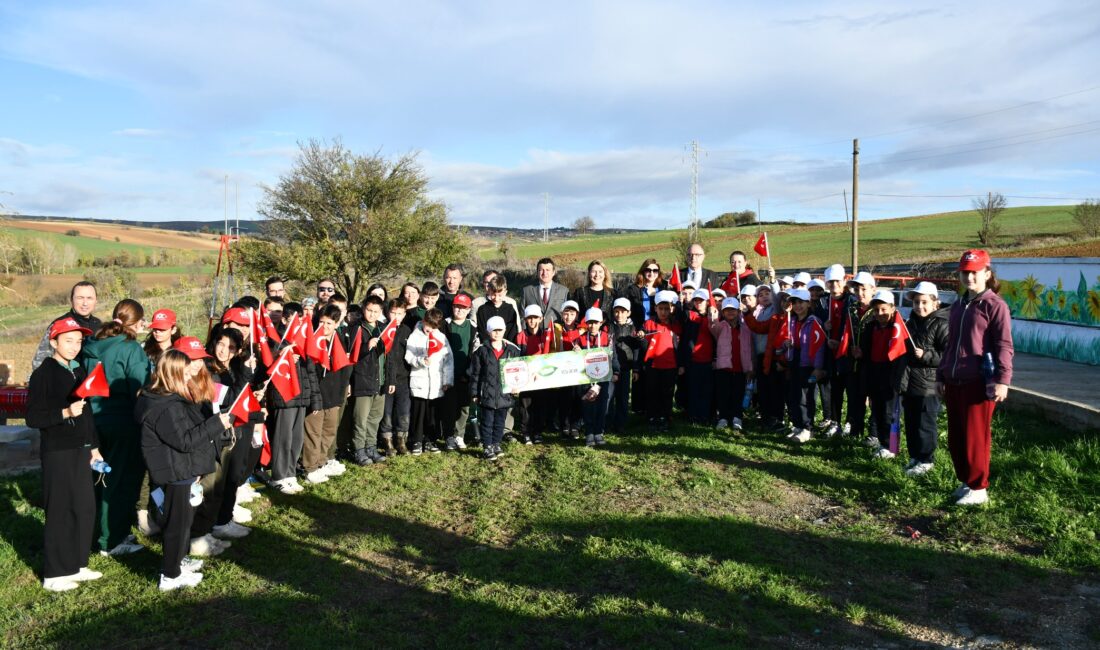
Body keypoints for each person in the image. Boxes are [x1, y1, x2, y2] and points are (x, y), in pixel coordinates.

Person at [135, 348, 233, 591]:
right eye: (186, 371)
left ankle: (177, 560)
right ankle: (170, 575)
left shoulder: (169, 399)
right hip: (176, 472)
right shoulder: (166, 406)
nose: (192, 374)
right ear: (173, 374)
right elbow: (185, 440)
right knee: (177, 524)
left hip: (183, 469)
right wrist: (217, 424)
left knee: (184, 521)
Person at [26, 317, 104, 592]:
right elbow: (33, 418)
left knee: (84, 507)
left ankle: (78, 564)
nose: (74, 346)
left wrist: (94, 448)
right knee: (60, 509)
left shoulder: (79, 370)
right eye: (68, 340)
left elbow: (88, 415)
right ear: (54, 342)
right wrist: (65, 413)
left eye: (79, 341)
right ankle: (55, 573)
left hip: (81, 450)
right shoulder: (43, 374)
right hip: (58, 451)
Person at [937, 249, 1013, 506]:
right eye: (964, 272)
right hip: (953, 379)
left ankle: (979, 487)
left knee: (975, 436)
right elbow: (950, 344)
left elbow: (1004, 345)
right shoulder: (959, 304)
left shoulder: (995, 305)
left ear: (987, 273)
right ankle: (966, 480)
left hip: (979, 380)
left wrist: (1003, 379)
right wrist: (941, 374)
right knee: (956, 435)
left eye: (974, 272)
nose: (969, 277)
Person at [81, 299, 149, 557]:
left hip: (93, 422)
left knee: (98, 479)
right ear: (137, 322)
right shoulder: (131, 349)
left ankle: (98, 530)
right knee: (119, 481)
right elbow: (140, 388)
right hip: (123, 422)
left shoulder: (92, 346)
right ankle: (112, 539)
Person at [302, 304, 353, 484]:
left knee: (329, 432)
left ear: (337, 324)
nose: (325, 327)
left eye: (329, 323)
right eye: (322, 322)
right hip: (317, 396)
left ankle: (321, 462)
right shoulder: (313, 342)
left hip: (334, 395)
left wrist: (344, 390)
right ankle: (310, 467)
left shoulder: (339, 341)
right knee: (313, 433)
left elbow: (345, 367)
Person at [902, 282, 948, 477]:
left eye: (924, 302)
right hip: (910, 382)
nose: (919, 307)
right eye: (915, 303)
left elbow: (948, 355)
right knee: (911, 422)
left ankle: (926, 460)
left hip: (929, 385)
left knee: (925, 424)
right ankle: (915, 456)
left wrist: (927, 355)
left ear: (935, 303)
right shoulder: (910, 323)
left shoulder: (941, 324)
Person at [857, 291, 909, 458]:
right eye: (877, 310)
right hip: (874, 372)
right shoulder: (871, 327)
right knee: (877, 410)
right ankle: (882, 443)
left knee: (890, 413)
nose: (880, 314)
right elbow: (866, 350)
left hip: (891, 374)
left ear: (893, 308)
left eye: (884, 309)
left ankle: (892, 447)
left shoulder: (900, 328)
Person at [468, 316, 522, 461]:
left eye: (500, 330)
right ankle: (487, 446)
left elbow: (518, 371)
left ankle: (496, 443)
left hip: (504, 395)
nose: (497, 333)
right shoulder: (481, 351)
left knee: (500, 422)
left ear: (504, 330)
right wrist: (474, 392)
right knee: (486, 422)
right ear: (488, 331)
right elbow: (475, 374)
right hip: (487, 394)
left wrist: (517, 387)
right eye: (494, 330)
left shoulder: (512, 350)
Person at [348, 295, 392, 465]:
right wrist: (367, 347)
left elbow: (389, 356)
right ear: (363, 309)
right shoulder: (357, 329)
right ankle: (359, 450)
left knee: (375, 417)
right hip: (363, 380)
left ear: (381, 312)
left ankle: (371, 447)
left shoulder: (383, 328)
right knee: (361, 419)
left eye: (376, 311)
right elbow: (352, 355)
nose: (372, 314)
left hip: (379, 381)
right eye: (369, 310)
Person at [404, 309, 453, 455]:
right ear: (424, 321)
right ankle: (416, 440)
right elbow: (408, 356)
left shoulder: (441, 338)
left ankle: (431, 440)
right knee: (419, 413)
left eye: (433, 327)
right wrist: (420, 361)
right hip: (420, 382)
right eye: (428, 325)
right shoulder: (415, 336)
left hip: (436, 383)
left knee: (433, 413)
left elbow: (448, 360)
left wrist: (447, 380)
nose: (429, 329)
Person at [783, 288, 827, 443]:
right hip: (795, 362)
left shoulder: (814, 321)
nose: (797, 306)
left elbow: (819, 345)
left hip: (808, 365)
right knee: (794, 394)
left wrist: (817, 367)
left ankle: (807, 428)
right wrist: (787, 344)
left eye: (801, 302)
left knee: (806, 397)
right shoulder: (792, 320)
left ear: (808, 303)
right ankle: (797, 425)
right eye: (794, 302)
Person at [622, 259, 664, 415]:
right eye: (648, 270)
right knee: (639, 368)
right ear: (642, 271)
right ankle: (639, 406)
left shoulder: (663, 288)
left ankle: (656, 405)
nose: (651, 273)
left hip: (658, 333)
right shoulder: (633, 290)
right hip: (640, 333)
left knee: (655, 368)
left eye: (655, 270)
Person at [31, 281, 101, 373]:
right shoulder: (60, 324)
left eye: (89, 298)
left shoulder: (99, 325)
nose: (85, 303)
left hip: (92, 383)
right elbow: (40, 361)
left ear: (96, 300)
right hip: (66, 382)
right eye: (80, 298)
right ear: (71, 300)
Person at [574, 308, 619, 447]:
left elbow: (613, 356)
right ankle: (589, 433)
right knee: (588, 405)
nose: (592, 326)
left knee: (602, 405)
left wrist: (616, 372)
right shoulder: (580, 339)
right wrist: (575, 352)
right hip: (586, 379)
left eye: (595, 322)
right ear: (586, 323)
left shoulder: (608, 338)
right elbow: (574, 360)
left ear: (601, 322)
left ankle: (599, 431)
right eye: (590, 323)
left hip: (603, 378)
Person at [639, 290, 682, 432]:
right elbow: (643, 340)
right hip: (653, 364)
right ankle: (652, 416)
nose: (663, 312)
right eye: (661, 309)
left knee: (667, 392)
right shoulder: (649, 324)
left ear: (672, 309)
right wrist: (640, 335)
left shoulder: (675, 325)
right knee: (652, 391)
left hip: (670, 365)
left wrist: (680, 364)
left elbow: (679, 346)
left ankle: (665, 416)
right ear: (655, 308)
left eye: (667, 309)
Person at [710, 297, 754, 431]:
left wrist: (751, 368)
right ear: (722, 312)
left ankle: (737, 417)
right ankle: (723, 417)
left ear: (738, 311)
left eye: (733, 310)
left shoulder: (746, 329)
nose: (730, 312)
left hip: (741, 367)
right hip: (724, 367)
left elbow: (750, 348)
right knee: (723, 393)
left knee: (738, 394)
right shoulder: (720, 326)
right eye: (727, 310)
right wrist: (712, 316)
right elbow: (712, 326)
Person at [515, 304, 556, 445]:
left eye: (535, 318)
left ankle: (538, 431)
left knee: (540, 405)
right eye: (529, 318)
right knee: (525, 406)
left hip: (541, 377)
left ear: (541, 318)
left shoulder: (546, 335)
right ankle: (526, 432)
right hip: (526, 377)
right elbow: (517, 357)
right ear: (525, 320)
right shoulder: (521, 336)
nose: (532, 321)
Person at [378, 298, 414, 456]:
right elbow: (389, 357)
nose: (396, 316)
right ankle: (388, 442)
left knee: (403, 412)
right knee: (386, 413)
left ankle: (401, 441)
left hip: (403, 379)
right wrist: (390, 380)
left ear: (404, 314)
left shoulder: (407, 330)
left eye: (400, 313)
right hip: (386, 379)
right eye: (393, 313)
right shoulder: (382, 329)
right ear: (387, 312)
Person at [441, 292, 476, 449]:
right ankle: (448, 435)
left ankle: (459, 435)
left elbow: (475, 350)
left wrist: (470, 372)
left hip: (466, 374)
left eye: (463, 308)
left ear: (469, 309)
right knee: (449, 406)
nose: (460, 310)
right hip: (448, 374)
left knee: (464, 406)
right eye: (457, 307)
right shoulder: (444, 324)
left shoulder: (473, 326)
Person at [678, 288, 716, 425]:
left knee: (707, 391)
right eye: (696, 300)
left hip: (708, 361)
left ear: (707, 302)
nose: (699, 303)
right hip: (693, 361)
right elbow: (683, 339)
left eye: (701, 301)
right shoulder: (689, 316)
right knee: (693, 390)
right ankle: (693, 415)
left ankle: (705, 416)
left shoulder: (713, 318)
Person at [607, 298, 640, 433]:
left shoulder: (633, 328)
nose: (619, 314)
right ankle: (607, 423)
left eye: (622, 311)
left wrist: (636, 368)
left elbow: (637, 349)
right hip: (609, 369)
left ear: (629, 313)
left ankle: (620, 424)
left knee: (623, 397)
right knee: (609, 397)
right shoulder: (608, 327)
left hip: (626, 368)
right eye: (616, 311)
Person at [522, 258, 569, 326]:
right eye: (541, 270)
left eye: (548, 270)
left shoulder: (564, 291)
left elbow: (567, 314)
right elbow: (522, 316)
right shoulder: (527, 291)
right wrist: (525, 334)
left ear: (553, 272)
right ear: (537, 272)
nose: (544, 273)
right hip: (533, 335)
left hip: (555, 334)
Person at [476, 275, 519, 342]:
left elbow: (512, 332)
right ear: (489, 291)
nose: (496, 298)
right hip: (488, 347)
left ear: (505, 293)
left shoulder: (510, 309)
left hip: (506, 347)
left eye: (500, 295)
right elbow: (482, 332)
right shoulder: (482, 310)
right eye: (493, 294)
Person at [571, 260, 616, 324]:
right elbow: (574, 315)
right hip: (584, 332)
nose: (597, 275)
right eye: (594, 272)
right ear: (589, 274)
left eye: (600, 272)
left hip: (607, 332)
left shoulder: (613, 294)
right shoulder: (580, 292)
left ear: (605, 274)